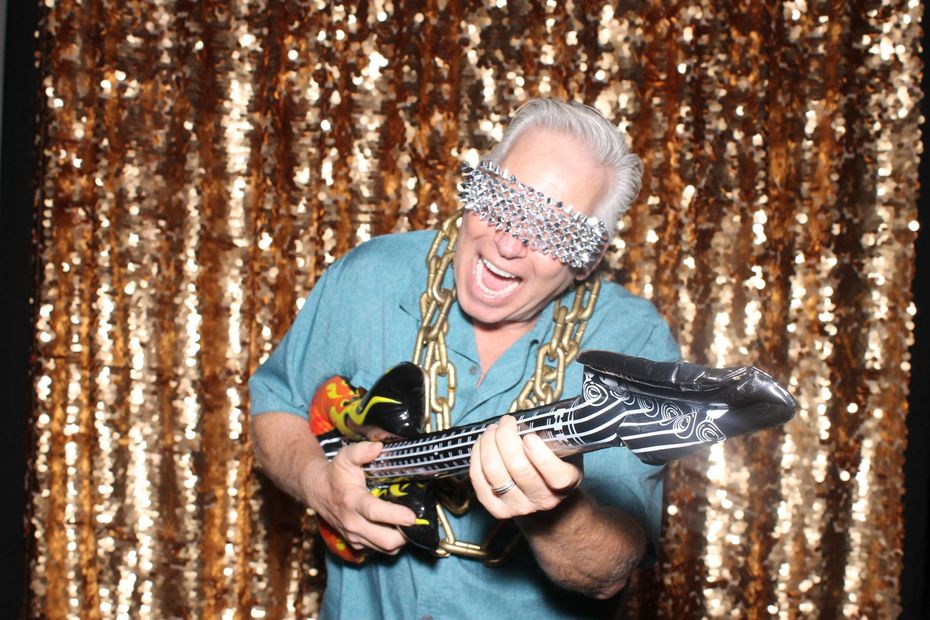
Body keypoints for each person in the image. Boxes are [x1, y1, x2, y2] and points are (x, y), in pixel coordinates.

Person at [248, 99, 681, 618]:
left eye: (553, 229)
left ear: (588, 257)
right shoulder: (371, 276)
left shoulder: (632, 341)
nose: (507, 242)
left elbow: (608, 573)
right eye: (501, 200)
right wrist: (320, 487)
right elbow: (277, 409)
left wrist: (553, 513)